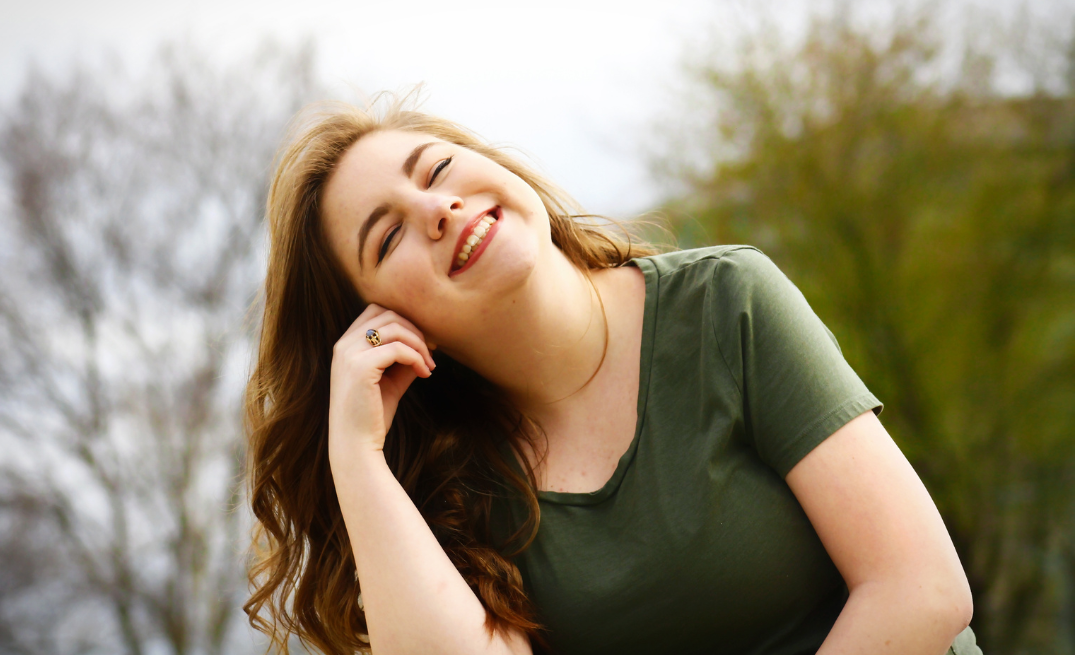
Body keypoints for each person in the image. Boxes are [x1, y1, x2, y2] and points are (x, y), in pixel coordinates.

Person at [243, 95, 981, 655]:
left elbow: (922, 589)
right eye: (390, 234)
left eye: (436, 169)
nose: (438, 208)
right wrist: (358, 456)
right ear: (378, 321)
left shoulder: (727, 303)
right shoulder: (446, 485)